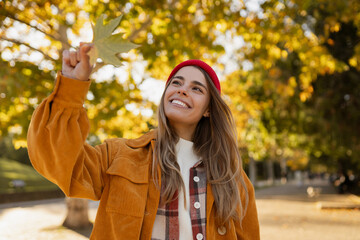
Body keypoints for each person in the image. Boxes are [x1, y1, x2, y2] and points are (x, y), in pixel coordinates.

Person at [27, 43, 260, 240]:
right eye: (176, 83)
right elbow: (54, 158)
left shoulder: (233, 179)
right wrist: (71, 86)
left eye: (196, 88)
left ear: (209, 109)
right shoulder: (119, 155)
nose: (182, 90)